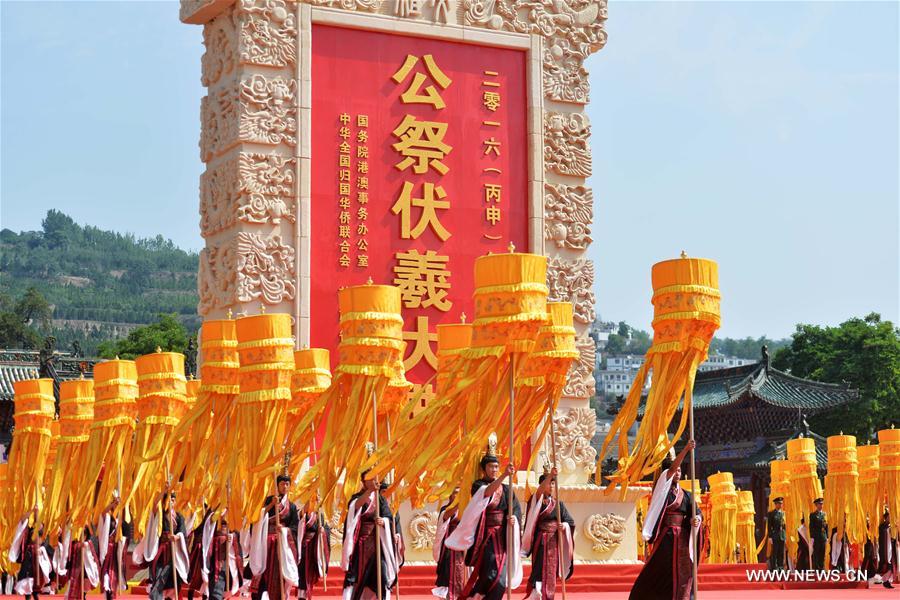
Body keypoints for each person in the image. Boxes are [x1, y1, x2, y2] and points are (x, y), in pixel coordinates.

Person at [628, 440, 702, 600]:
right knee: (659, 569)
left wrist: (695, 521)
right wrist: (686, 450)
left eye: (680, 470)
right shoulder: (662, 486)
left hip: (682, 539)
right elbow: (672, 468)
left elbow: (696, 514)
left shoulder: (687, 494)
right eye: (675, 470)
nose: (678, 472)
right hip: (666, 538)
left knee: (683, 573)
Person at [445, 452, 522, 600]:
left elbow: (516, 509)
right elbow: (486, 493)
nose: (494, 469)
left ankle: (478, 596)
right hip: (486, 537)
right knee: (489, 574)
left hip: (503, 537)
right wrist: (504, 475)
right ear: (484, 469)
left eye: (496, 466)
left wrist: (514, 519)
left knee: (501, 578)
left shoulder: (506, 489)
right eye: (491, 466)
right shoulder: (478, 485)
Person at [341, 470, 398, 600]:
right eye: (369, 479)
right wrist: (369, 492)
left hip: (378, 545)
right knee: (358, 577)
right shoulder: (357, 497)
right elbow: (354, 507)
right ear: (363, 482)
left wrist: (383, 521)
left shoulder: (380, 499)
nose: (373, 481)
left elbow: (388, 517)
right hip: (360, 545)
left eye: (374, 478)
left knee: (381, 577)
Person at [522, 467, 575, 600]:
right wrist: (550, 475)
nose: (551, 486)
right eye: (549, 483)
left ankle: (548, 595)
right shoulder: (537, 500)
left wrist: (564, 526)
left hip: (554, 542)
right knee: (539, 567)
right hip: (541, 539)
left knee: (551, 570)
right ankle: (536, 590)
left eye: (553, 483)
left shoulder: (558, 504)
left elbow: (570, 521)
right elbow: (539, 492)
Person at [249, 475, 299, 600]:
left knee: (278, 575)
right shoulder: (268, 501)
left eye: (287, 484)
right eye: (282, 484)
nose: (285, 486)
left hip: (281, 545)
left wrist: (283, 530)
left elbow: (294, 528)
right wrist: (271, 505)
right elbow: (257, 518)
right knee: (262, 573)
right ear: (277, 485)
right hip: (265, 543)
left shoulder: (291, 507)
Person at [132, 491, 189, 600]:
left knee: (172, 578)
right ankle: (156, 596)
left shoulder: (179, 517)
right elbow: (154, 505)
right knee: (159, 576)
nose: (171, 502)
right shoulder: (160, 514)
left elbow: (183, 533)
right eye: (169, 500)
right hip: (161, 551)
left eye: (173, 500)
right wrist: (164, 490)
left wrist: (177, 537)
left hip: (173, 552)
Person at [9, 509, 52, 600]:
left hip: (38, 556)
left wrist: (41, 548)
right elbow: (22, 521)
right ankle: (28, 597)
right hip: (29, 555)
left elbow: (45, 539)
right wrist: (31, 511)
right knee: (28, 577)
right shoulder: (28, 529)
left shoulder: (42, 529)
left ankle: (35, 595)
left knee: (37, 578)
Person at [432, 488, 466, 600]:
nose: (457, 496)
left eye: (459, 494)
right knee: (447, 577)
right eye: (455, 494)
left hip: (462, 547)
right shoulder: (446, 509)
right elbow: (446, 516)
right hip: (448, 548)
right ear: (450, 495)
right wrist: (458, 505)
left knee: (462, 577)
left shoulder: (465, 508)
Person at [203, 512, 241, 600]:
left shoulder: (233, 512)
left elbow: (237, 533)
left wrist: (232, 537)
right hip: (215, 556)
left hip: (229, 557)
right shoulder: (214, 514)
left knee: (225, 583)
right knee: (216, 587)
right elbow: (207, 531)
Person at [296, 500, 330, 599]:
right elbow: (299, 525)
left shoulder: (319, 516)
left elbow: (326, 530)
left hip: (314, 549)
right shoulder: (303, 514)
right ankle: (301, 596)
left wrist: (323, 532)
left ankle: (308, 594)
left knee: (310, 573)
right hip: (304, 548)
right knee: (303, 572)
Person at [59, 526, 99, 600]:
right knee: (70, 591)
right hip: (74, 571)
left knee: (83, 590)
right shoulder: (73, 544)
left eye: (84, 534)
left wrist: (86, 547)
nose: (82, 536)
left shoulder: (88, 544)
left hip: (85, 571)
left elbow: (92, 557)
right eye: (80, 534)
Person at [97, 498, 125, 600]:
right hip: (107, 548)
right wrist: (112, 504)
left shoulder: (118, 518)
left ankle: (112, 595)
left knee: (115, 573)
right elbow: (103, 513)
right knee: (106, 573)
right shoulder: (107, 516)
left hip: (116, 549)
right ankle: (107, 593)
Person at [186, 507, 212, 600]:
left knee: (206, 577)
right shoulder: (197, 519)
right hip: (197, 551)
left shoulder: (211, 521)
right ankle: (190, 596)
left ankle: (205, 597)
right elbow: (190, 531)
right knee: (194, 575)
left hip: (207, 551)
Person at [875, 509, 894, 589]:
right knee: (888, 564)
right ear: (886, 518)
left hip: (891, 547)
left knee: (892, 565)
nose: (889, 519)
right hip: (885, 548)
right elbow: (882, 535)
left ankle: (886, 580)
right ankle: (884, 580)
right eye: (889, 517)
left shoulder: (892, 526)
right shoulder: (882, 526)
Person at [766, 497, 786, 571]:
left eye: (781, 503)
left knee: (781, 552)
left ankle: (780, 567)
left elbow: (784, 526)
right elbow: (769, 526)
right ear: (775, 504)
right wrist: (770, 537)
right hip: (775, 535)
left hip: (782, 535)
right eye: (779, 503)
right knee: (775, 552)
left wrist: (785, 535)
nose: (780, 505)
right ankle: (774, 567)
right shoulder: (771, 513)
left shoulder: (783, 513)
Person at [808, 498, 828, 570]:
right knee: (816, 552)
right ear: (816, 505)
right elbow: (811, 526)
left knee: (822, 553)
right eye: (819, 504)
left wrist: (827, 536)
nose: (821, 506)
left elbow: (826, 526)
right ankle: (816, 568)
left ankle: (821, 567)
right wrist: (812, 537)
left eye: (822, 504)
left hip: (823, 536)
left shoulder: (824, 514)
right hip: (816, 536)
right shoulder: (813, 515)